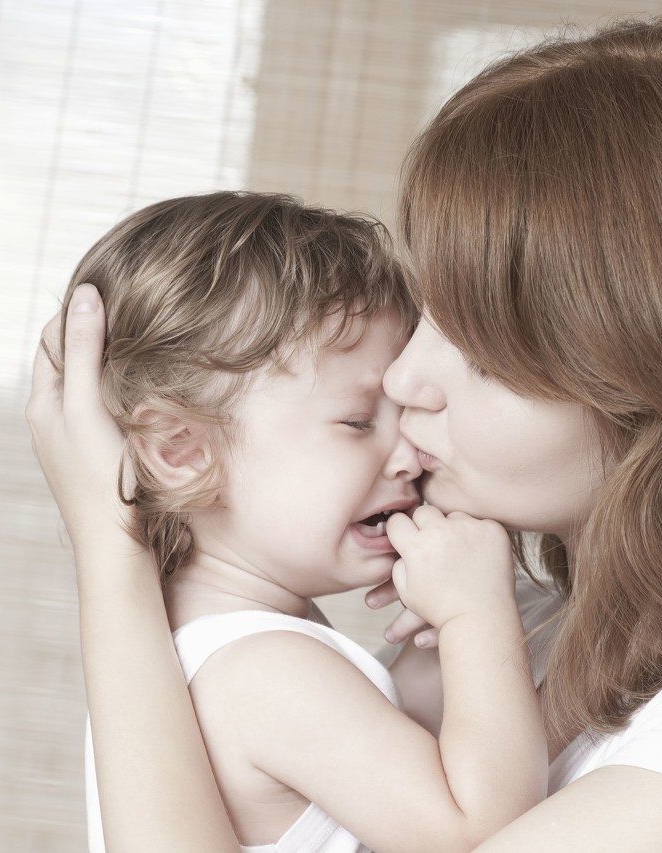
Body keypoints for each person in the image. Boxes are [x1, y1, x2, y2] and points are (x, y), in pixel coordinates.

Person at [27, 16, 662, 852]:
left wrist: (115, 565)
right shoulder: (512, 626)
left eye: (480, 347)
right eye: (427, 315)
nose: (406, 382)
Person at [39, 191, 547, 853]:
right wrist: (476, 616)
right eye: (359, 421)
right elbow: (478, 830)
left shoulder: (204, 648)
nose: (409, 452)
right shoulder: (265, 670)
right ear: (183, 453)